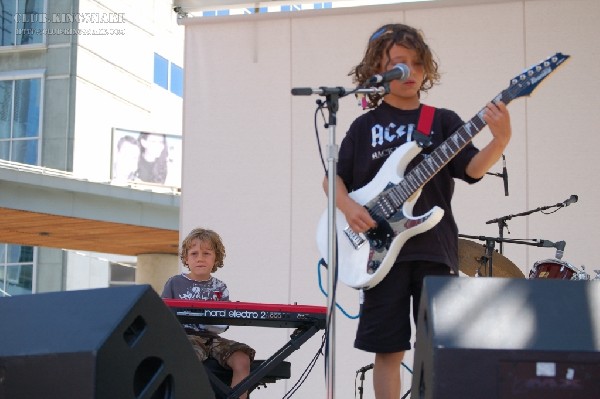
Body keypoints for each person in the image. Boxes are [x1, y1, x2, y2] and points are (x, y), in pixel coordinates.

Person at [322, 23, 511, 399]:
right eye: (398, 63)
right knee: (388, 350)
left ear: (427, 70)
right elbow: (333, 179)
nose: (410, 71)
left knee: (437, 350)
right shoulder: (364, 127)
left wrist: (500, 138)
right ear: (378, 69)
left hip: (433, 248)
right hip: (377, 255)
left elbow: (471, 169)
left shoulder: (441, 121)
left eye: (417, 63)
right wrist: (348, 208)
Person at [161, 228, 256, 399]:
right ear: (186, 258)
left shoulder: (220, 287)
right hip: (186, 337)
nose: (200, 258)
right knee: (186, 358)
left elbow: (222, 323)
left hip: (212, 339)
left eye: (206, 253)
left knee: (242, 360)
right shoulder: (175, 283)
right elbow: (162, 315)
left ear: (216, 258)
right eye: (194, 253)